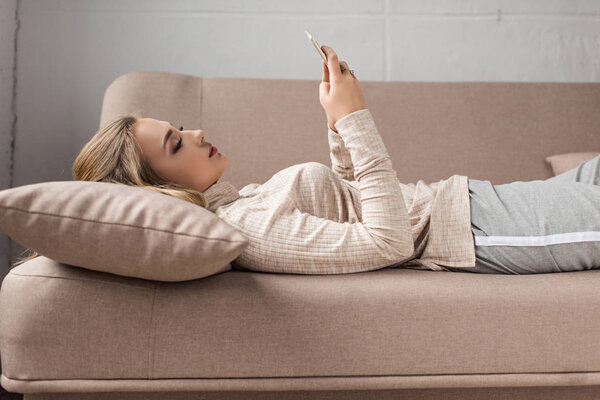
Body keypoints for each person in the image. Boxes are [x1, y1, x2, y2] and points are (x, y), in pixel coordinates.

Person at [13, 46, 600, 275]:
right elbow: (386, 241)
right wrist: (354, 119)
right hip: (476, 230)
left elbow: (353, 198)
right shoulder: (244, 227)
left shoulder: (241, 201)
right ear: (156, 189)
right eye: (174, 143)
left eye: (180, 128)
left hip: (470, 200)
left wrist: (335, 120)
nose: (196, 133)